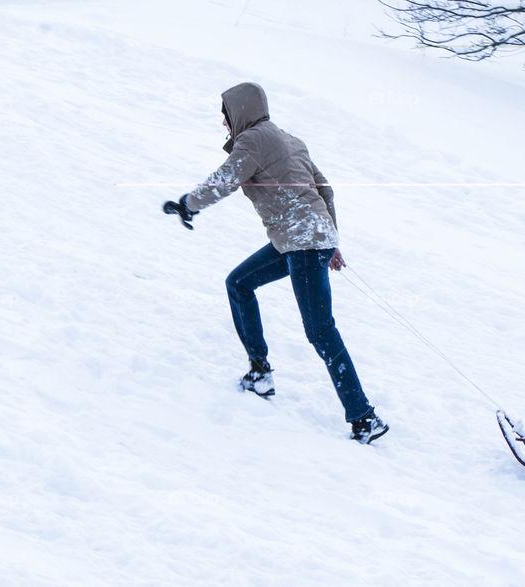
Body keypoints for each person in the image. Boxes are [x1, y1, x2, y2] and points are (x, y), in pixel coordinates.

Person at [163, 82, 388, 444]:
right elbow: (325, 189)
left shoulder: (252, 141)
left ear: (239, 111)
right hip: (302, 240)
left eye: (225, 115)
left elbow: (225, 180)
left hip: (301, 242)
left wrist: (189, 203)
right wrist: (330, 239)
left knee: (320, 330)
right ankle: (260, 372)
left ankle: (364, 417)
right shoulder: (290, 139)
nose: (224, 123)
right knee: (239, 283)